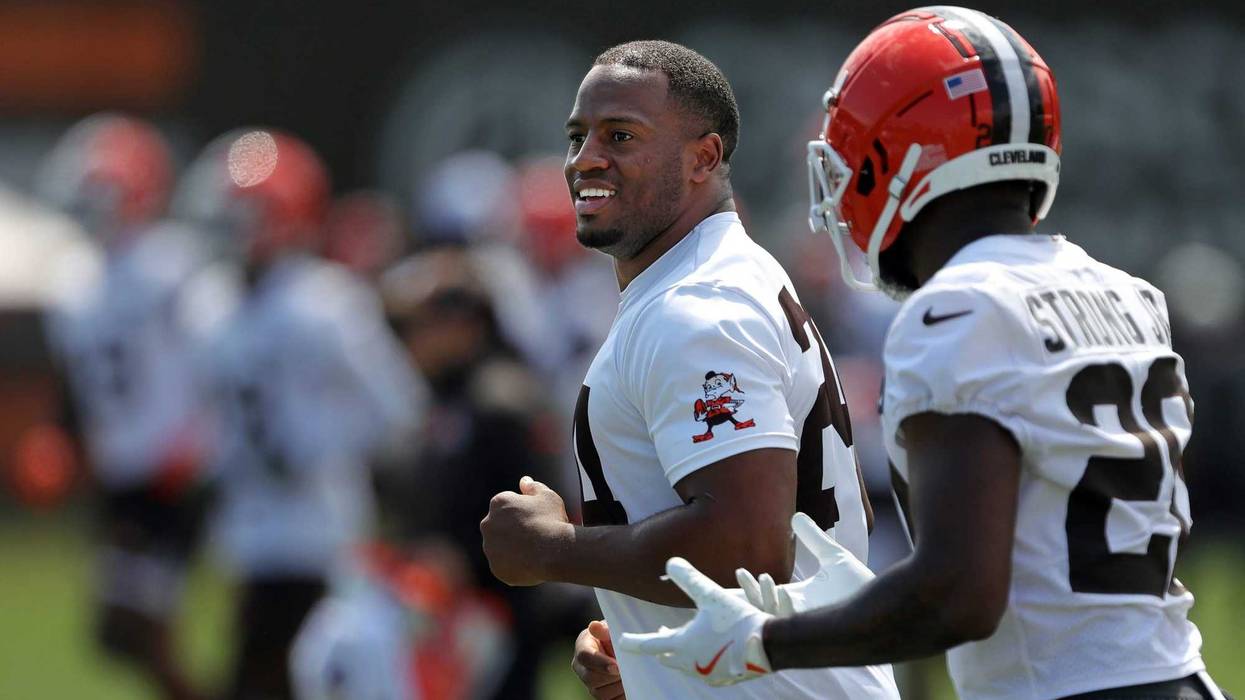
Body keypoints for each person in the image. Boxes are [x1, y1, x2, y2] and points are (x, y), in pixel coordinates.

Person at [617, 7, 1230, 700]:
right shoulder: (1126, 294)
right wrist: (866, 601)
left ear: (893, 160)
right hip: (1177, 678)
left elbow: (957, 595)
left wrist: (761, 642)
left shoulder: (957, 312)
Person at [479, 40, 898, 699]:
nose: (585, 158)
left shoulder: (696, 306)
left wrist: (553, 550)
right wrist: (653, 632)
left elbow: (749, 542)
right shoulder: (717, 279)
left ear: (703, 157)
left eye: (620, 135)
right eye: (577, 135)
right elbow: (820, 529)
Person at [180, 128, 425, 700]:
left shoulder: (325, 301)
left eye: (248, 212)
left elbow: (398, 405)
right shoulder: (209, 302)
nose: (232, 225)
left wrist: (327, 443)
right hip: (248, 525)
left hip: (321, 528)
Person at [39, 113, 210, 700]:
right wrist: (64, 436)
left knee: (135, 627)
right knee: (121, 632)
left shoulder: (171, 264)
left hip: (173, 467)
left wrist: (201, 435)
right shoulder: (73, 280)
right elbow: (78, 382)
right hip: (122, 469)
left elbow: (215, 351)